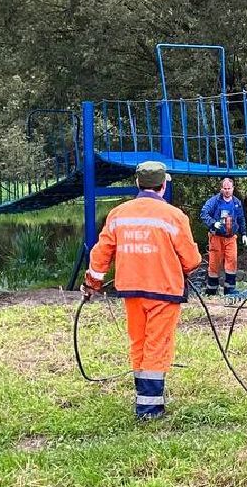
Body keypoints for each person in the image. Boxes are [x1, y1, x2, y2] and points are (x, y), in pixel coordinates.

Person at [83, 160, 201, 419]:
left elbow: (101, 253)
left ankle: (143, 398)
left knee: (139, 342)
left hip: (131, 290)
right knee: (157, 345)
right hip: (164, 291)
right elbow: (191, 261)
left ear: (138, 183)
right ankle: (149, 409)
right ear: (163, 186)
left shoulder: (119, 214)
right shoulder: (174, 216)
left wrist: (92, 284)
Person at [199, 177, 247, 297]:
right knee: (214, 263)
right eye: (224, 188)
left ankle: (229, 290)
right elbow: (204, 213)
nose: (227, 191)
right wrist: (212, 223)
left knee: (232, 262)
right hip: (216, 238)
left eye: (229, 188)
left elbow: (241, 219)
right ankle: (211, 291)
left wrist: (244, 234)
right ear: (221, 189)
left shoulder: (236, 202)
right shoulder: (214, 201)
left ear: (233, 188)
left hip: (231, 238)